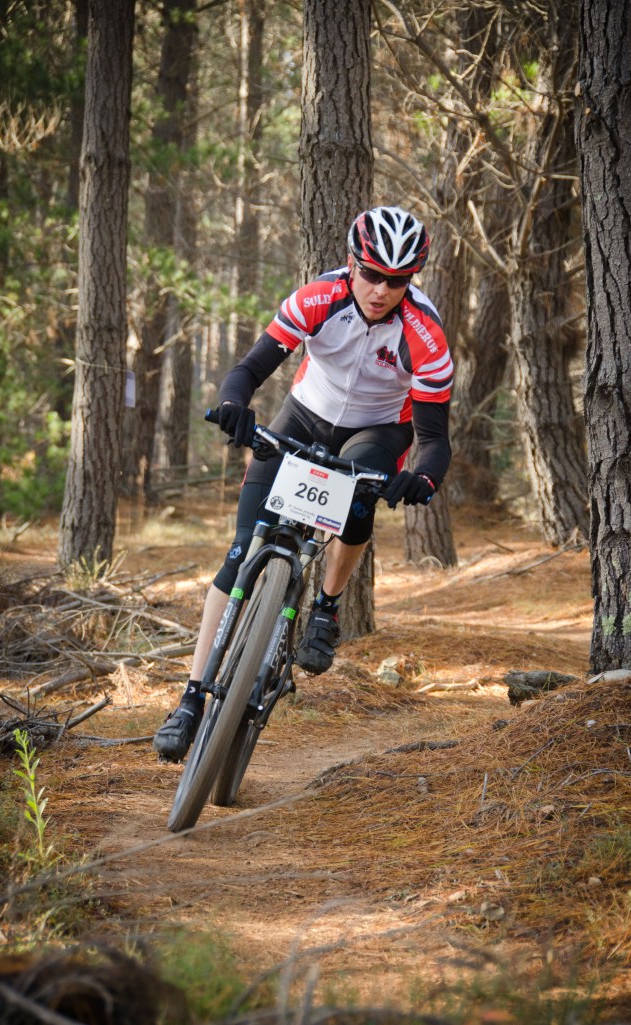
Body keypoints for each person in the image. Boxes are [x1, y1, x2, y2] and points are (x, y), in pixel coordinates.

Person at [153, 205, 454, 762]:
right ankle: (190, 697)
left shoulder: (425, 336)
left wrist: (423, 478)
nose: (381, 290)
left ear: (411, 281)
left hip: (378, 427)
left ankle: (326, 606)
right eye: (372, 274)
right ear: (351, 264)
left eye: (397, 281)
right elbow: (248, 370)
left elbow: (435, 439)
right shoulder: (318, 298)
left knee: (360, 489)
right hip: (305, 413)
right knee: (240, 553)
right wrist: (233, 405)